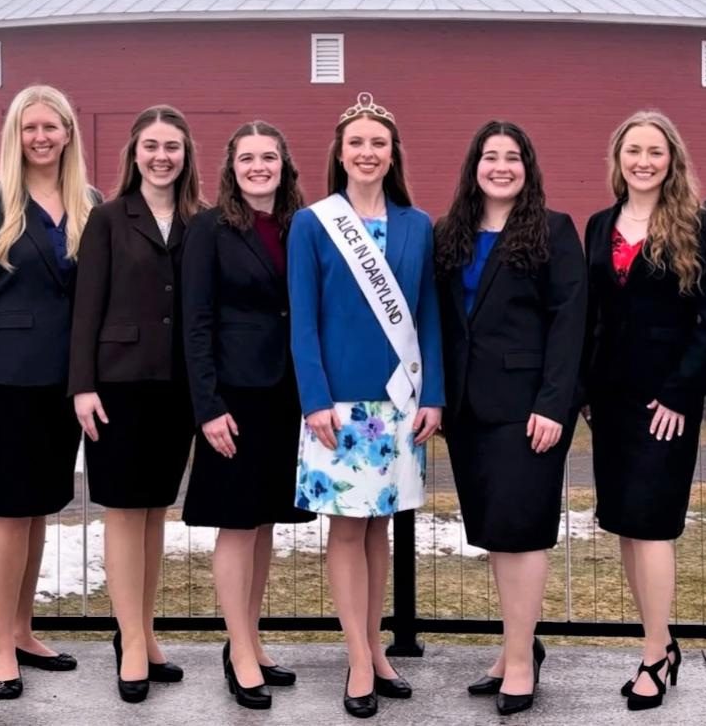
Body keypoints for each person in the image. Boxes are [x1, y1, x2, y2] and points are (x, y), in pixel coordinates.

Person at [287, 92, 443, 718]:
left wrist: (432, 393)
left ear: (392, 154)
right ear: (340, 153)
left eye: (378, 143)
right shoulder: (312, 223)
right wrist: (314, 399)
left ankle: (377, 650)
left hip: (399, 405)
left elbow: (428, 312)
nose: (367, 152)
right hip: (339, 411)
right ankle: (357, 658)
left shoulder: (417, 225)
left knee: (381, 528)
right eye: (356, 143)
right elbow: (303, 320)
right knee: (348, 530)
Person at [434, 121, 586, 716]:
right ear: (474, 166)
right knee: (497, 536)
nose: (501, 167)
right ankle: (514, 646)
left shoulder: (553, 231)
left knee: (522, 535)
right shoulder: (452, 234)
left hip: (528, 412)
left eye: (513, 157)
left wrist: (554, 404)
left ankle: (521, 663)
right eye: (490, 157)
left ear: (529, 167)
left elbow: (570, 323)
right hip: (469, 411)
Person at [0, 84, 97, 700]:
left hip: (63, 386)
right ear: (16, 134)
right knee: (9, 515)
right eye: (30, 127)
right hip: (5, 384)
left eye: (52, 127)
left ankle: (25, 629)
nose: (41, 137)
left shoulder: (88, 202)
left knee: (39, 511)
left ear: (68, 133)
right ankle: (0, 648)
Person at [581, 111, 706, 711]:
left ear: (672, 161)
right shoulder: (598, 224)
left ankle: (652, 658)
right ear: (617, 158)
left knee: (653, 525)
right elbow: (592, 313)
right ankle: (659, 642)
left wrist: (682, 393)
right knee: (624, 526)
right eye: (633, 150)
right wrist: (584, 389)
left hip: (666, 400)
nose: (643, 160)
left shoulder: (698, 225)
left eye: (655, 152)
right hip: (609, 401)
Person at [68, 105, 202, 703]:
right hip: (118, 384)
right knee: (123, 514)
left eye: (172, 146)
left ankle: (144, 637)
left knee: (154, 515)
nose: (161, 156)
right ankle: (128, 646)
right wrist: (82, 384)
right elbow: (86, 308)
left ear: (186, 154)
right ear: (134, 153)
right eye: (151, 145)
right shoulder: (106, 218)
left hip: (176, 386)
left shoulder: (200, 221)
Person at [181, 121, 316, 710]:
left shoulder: (301, 224)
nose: (259, 167)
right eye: (247, 158)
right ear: (230, 167)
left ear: (286, 165)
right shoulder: (209, 228)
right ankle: (238, 652)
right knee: (236, 524)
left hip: (287, 394)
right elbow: (196, 321)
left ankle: (252, 642)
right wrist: (208, 407)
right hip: (233, 398)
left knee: (263, 524)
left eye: (269, 157)